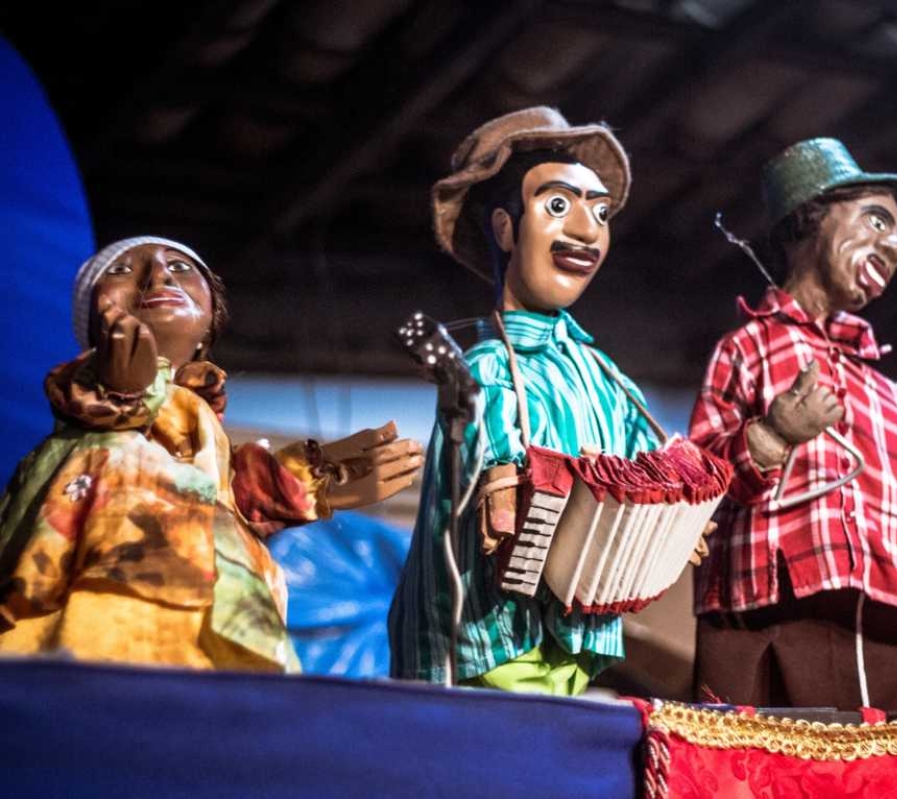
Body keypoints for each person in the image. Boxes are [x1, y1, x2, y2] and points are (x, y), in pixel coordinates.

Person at [0, 236, 424, 672]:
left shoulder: (201, 424)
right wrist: (120, 389)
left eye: (182, 268)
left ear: (210, 322)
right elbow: (96, 416)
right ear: (91, 322)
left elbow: (214, 494)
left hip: (215, 630)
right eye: (121, 271)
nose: (158, 274)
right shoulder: (91, 407)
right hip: (111, 621)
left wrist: (304, 481)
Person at [689, 138, 897, 711]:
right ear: (809, 218)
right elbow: (691, 485)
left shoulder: (887, 388)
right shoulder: (749, 348)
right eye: (877, 220)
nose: (895, 247)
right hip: (781, 625)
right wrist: (770, 437)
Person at [390, 107, 663, 695]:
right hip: (489, 649)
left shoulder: (607, 378)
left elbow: (659, 464)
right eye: (559, 205)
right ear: (506, 229)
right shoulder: (488, 373)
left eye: (600, 211)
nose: (588, 232)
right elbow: (479, 502)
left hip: (579, 641)